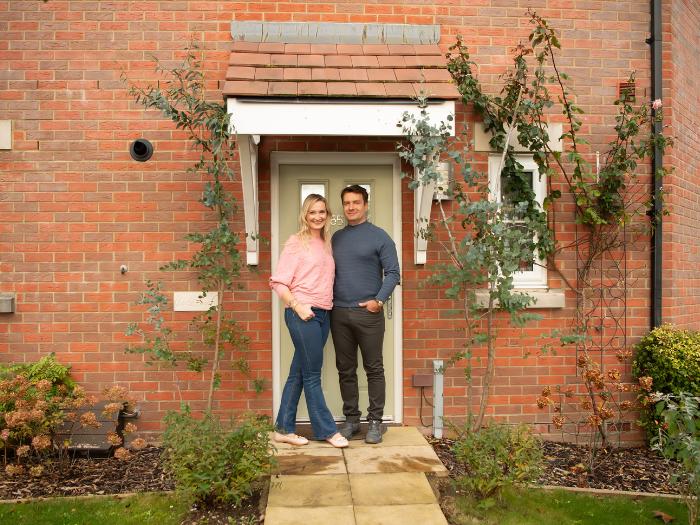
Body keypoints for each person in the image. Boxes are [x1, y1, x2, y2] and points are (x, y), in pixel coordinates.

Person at [269, 194, 349, 448]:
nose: (317, 216)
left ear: (327, 214)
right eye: (312, 212)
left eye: (322, 212)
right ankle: (327, 430)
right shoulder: (296, 242)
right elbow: (279, 282)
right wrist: (297, 306)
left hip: (323, 313)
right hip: (302, 312)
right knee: (313, 373)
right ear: (305, 215)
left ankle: (283, 428)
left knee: (299, 372)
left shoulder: (326, 243)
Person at [331, 185, 400, 444]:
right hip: (338, 312)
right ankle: (351, 420)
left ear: (366, 205)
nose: (351, 207)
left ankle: (375, 422)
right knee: (345, 369)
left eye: (356, 202)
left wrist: (379, 301)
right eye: (347, 203)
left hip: (368, 315)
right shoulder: (336, 238)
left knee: (373, 368)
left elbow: (393, 273)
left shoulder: (380, 236)